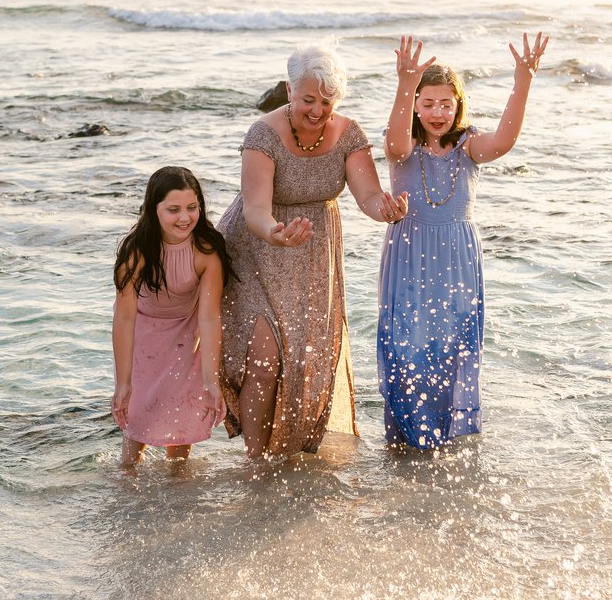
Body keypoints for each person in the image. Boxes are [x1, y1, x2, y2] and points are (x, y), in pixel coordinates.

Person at [219, 45, 408, 460]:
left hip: (313, 257)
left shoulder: (348, 134)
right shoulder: (263, 134)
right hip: (256, 251)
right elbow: (254, 210)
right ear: (289, 90)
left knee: (304, 364)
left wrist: (387, 210)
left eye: (327, 101)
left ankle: (284, 452)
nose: (318, 110)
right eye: (308, 99)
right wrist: (275, 233)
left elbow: (370, 197)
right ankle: (256, 460)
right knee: (264, 361)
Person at [378, 33, 548, 450]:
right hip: (409, 254)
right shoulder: (405, 144)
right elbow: (395, 142)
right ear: (415, 105)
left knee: (451, 345)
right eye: (428, 102)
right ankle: (405, 437)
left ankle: (444, 439)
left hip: (456, 257)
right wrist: (405, 81)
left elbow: (504, 142)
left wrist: (522, 82)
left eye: (446, 103)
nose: (437, 112)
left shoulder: (468, 145)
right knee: (408, 345)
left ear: (458, 105)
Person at [111, 166, 229, 467]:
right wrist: (122, 382)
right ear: (154, 209)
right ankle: (126, 479)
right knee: (139, 414)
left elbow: (210, 318)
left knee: (181, 415)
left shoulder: (206, 252)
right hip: (142, 334)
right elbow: (124, 318)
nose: (185, 217)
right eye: (173, 209)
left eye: (192, 208)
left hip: (186, 336)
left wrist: (211, 380)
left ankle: (177, 486)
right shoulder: (137, 251)